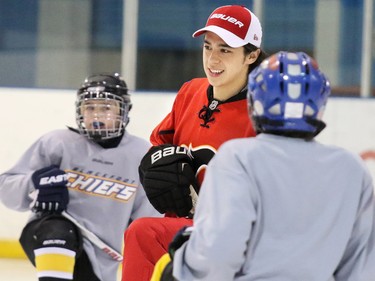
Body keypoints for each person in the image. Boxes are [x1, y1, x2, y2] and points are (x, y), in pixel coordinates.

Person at [156, 51, 375, 280]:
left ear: (255, 102)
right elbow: (362, 267)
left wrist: (184, 267)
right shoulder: (351, 169)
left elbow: (219, 253)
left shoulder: (239, 157)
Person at [121, 5, 268, 281]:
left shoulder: (262, 113)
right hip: (184, 227)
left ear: (252, 55)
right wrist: (154, 168)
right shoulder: (191, 91)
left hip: (233, 236)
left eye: (225, 50)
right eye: (208, 46)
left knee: (143, 232)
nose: (213, 59)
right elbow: (158, 147)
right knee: (145, 234)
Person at [0, 73, 161, 281]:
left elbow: (148, 223)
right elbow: (5, 188)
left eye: (105, 108)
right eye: (90, 108)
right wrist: (35, 185)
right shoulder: (58, 143)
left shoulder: (141, 156)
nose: (96, 116)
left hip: (100, 259)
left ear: (124, 111)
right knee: (57, 231)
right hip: (48, 233)